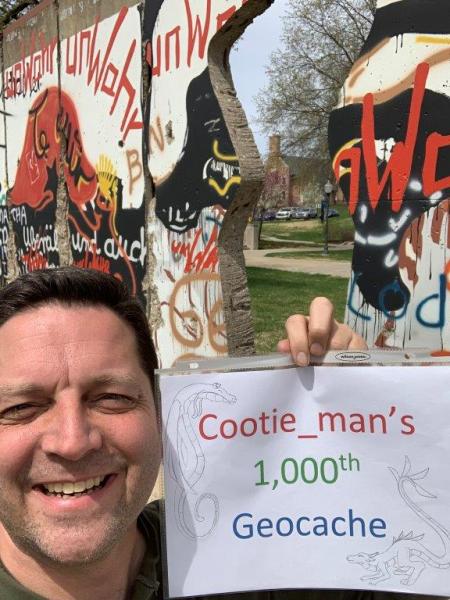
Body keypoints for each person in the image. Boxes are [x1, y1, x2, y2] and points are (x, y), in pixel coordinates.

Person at [0, 267, 431, 600]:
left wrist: (371, 437)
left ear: (161, 414)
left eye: (111, 398)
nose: (73, 442)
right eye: (21, 408)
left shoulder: (243, 541)